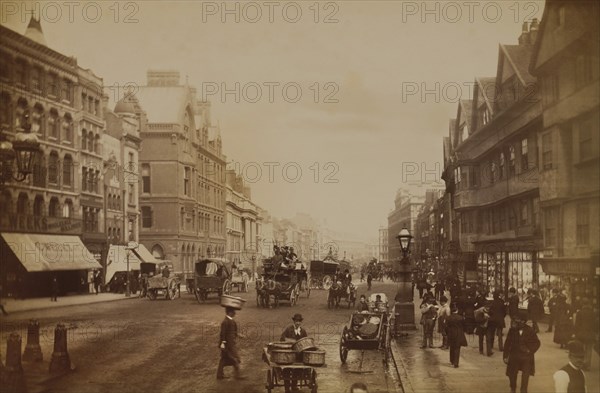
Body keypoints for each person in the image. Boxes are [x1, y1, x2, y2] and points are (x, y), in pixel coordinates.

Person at [503, 310, 541, 393]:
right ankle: (513, 388)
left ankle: (523, 390)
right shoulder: (512, 330)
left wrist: (530, 350)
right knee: (512, 374)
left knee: (525, 376)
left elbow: (537, 343)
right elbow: (507, 344)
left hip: (526, 357)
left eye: (517, 320)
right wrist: (505, 356)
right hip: (514, 356)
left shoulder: (530, 330)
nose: (514, 321)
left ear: (523, 321)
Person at [280, 314, 307, 391]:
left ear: (301, 322)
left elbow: (306, 341)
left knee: (298, 369)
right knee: (287, 370)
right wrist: (291, 341)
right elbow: (282, 338)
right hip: (289, 354)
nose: (298, 323)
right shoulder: (289, 329)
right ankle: (287, 388)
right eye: (296, 321)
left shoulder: (303, 331)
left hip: (299, 355)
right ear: (294, 321)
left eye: (299, 321)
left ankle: (294, 386)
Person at [217, 307, 245, 380]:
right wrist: (223, 343)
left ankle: (219, 375)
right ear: (229, 312)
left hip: (230, 343)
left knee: (224, 360)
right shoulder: (225, 322)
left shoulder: (231, 321)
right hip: (228, 345)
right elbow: (223, 333)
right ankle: (238, 376)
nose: (235, 313)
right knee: (235, 358)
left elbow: (233, 332)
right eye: (233, 312)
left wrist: (239, 335)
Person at [573, 298, 597, 370]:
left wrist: (575, 333)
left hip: (581, 334)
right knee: (589, 349)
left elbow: (577, 325)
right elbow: (595, 324)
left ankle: (582, 364)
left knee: (582, 349)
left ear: (582, 304)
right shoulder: (593, 313)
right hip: (590, 333)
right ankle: (588, 365)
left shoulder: (579, 313)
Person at [446, 302, 467, 368]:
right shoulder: (461, 318)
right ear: (457, 311)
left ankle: (452, 360)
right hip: (458, 333)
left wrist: (447, 333)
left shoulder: (448, 318)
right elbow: (464, 326)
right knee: (457, 348)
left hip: (451, 333)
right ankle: (456, 363)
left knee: (452, 347)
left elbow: (446, 326)